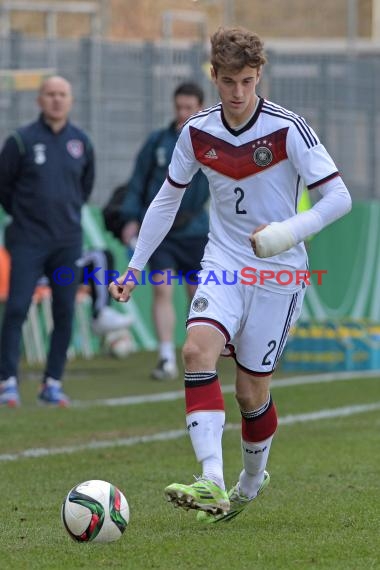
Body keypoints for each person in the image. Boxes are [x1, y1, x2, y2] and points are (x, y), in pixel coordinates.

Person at [109, 27, 352, 522]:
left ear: (259, 74)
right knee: (196, 349)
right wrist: (134, 267)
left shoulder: (288, 128)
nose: (238, 93)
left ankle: (249, 480)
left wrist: (287, 232)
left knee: (249, 391)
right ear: (213, 77)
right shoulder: (197, 131)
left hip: (279, 273)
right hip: (223, 262)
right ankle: (211, 481)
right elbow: (165, 200)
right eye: (227, 81)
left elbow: (338, 197)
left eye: (246, 80)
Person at [0, 75, 95, 407]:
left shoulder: (81, 142)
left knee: (65, 310)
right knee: (16, 308)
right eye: (50, 94)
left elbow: (85, 187)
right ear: (39, 100)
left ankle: (52, 383)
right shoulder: (21, 141)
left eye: (62, 94)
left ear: (70, 101)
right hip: (28, 241)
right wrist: (28, 218)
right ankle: (7, 381)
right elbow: (4, 188)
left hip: (67, 243)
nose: (56, 100)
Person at [119, 82, 209, 380]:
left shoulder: (212, 142)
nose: (183, 113)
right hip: (163, 233)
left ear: (200, 107)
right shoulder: (158, 142)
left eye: (189, 108)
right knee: (162, 288)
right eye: (179, 107)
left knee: (197, 294)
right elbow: (137, 182)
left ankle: (195, 351)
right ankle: (166, 356)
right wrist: (131, 218)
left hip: (195, 230)